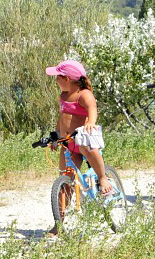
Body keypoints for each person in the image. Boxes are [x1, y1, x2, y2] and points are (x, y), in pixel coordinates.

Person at [45, 59, 112, 196]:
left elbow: (92, 107)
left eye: (58, 77)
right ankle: (61, 207)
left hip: (83, 140)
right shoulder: (64, 95)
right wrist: (56, 135)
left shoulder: (84, 94)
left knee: (89, 150)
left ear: (67, 79)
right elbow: (62, 116)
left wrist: (91, 122)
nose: (56, 80)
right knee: (65, 176)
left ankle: (102, 178)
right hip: (68, 142)